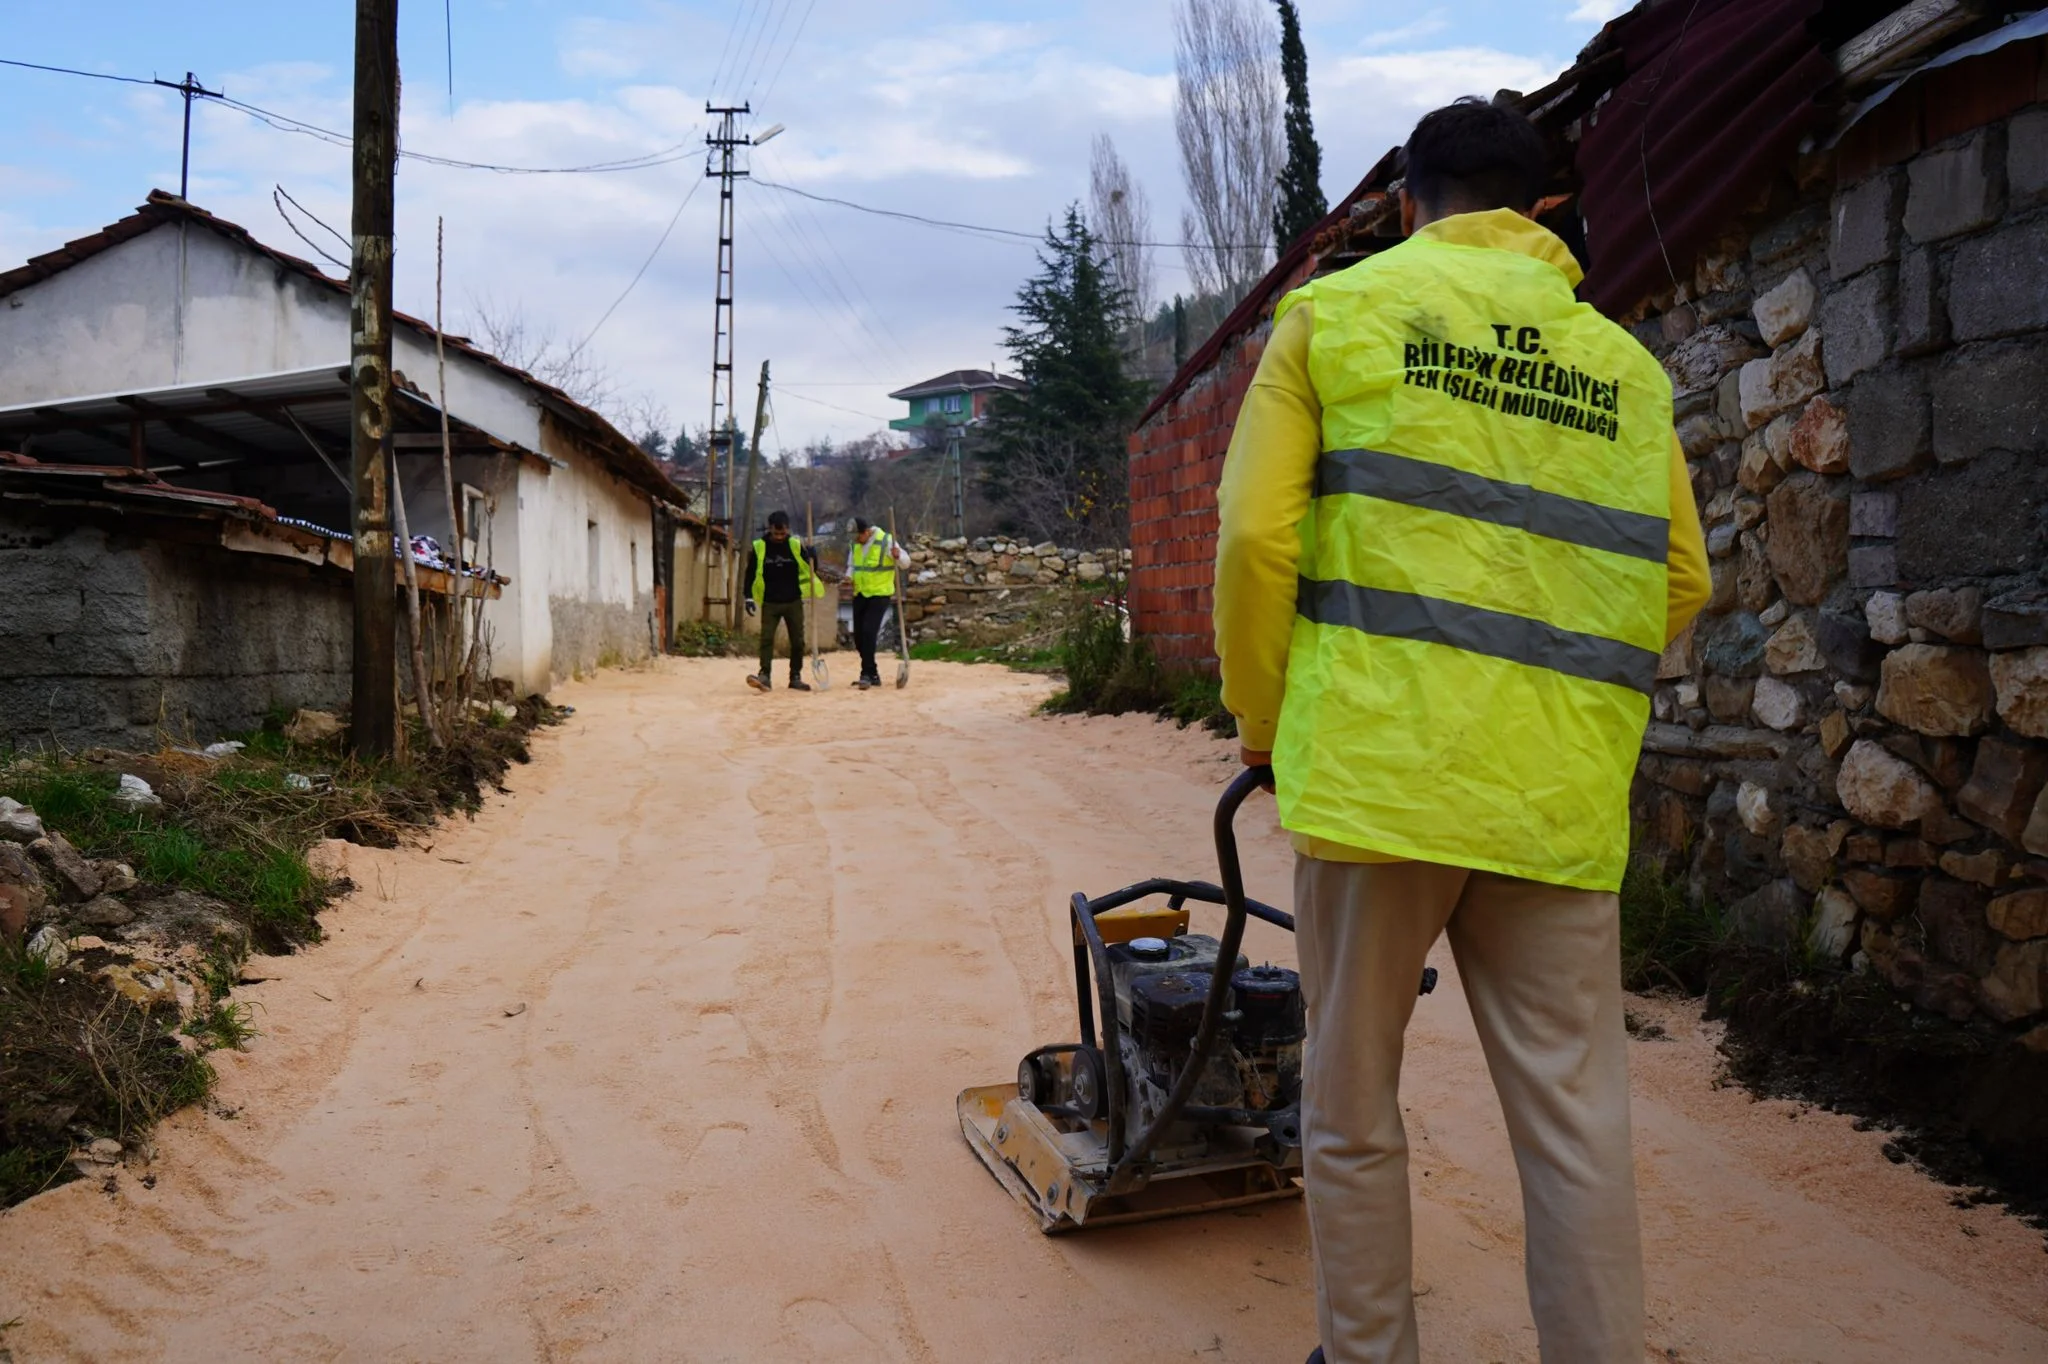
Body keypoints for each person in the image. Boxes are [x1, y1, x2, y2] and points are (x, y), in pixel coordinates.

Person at [1213, 98, 1709, 1364]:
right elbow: (1681, 587)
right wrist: (1567, 713)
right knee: (1574, 1119)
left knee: (1348, 1097)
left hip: (1376, 785)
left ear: (1406, 202)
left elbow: (1258, 539)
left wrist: (1263, 726)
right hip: (1551, 801)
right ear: (1542, 210)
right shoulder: (1627, 370)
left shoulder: (1334, 318)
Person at [744, 510, 824, 692]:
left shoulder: (795, 545)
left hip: (793, 600)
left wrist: (813, 556)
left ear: (788, 529)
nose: (779, 537)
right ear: (770, 528)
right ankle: (764, 675)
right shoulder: (759, 547)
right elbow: (749, 574)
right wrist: (748, 597)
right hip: (770, 601)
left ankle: (795, 676)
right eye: (776, 533)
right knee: (766, 639)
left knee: (798, 641)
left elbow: (811, 569)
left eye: (783, 533)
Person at [847, 516, 910, 689]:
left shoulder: (886, 541)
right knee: (859, 636)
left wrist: (898, 556)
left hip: (880, 594)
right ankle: (872, 672)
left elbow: (906, 563)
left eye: (858, 536)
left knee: (868, 632)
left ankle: (866, 674)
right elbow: (852, 566)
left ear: (866, 532)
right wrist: (847, 577)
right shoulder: (855, 545)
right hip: (860, 593)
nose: (856, 541)